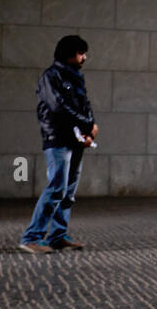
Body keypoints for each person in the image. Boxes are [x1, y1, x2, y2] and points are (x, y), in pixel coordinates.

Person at [19, 35, 98, 254]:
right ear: (70, 54)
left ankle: (58, 236)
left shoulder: (76, 78)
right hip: (58, 139)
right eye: (81, 53)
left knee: (68, 191)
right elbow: (58, 107)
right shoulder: (50, 77)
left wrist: (88, 129)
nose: (84, 57)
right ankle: (32, 237)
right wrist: (87, 123)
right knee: (57, 188)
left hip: (76, 140)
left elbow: (84, 105)